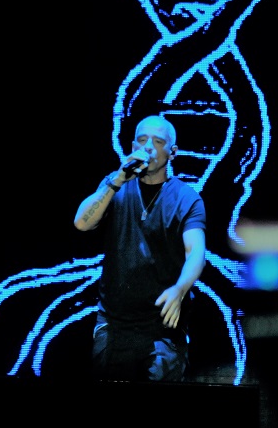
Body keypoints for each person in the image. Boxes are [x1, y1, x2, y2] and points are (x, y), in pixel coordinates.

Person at [73, 114, 207, 383]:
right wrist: (118, 179)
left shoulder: (186, 198)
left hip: (162, 328)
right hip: (114, 323)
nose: (148, 147)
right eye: (142, 140)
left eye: (157, 142)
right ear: (133, 145)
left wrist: (179, 289)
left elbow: (196, 253)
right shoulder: (115, 185)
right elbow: (81, 223)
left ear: (172, 152)